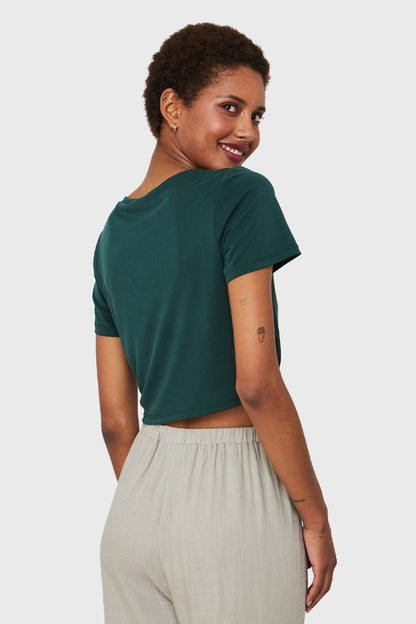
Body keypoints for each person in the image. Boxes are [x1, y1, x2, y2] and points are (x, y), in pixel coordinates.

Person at [92, 22, 336, 624]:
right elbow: (257, 384)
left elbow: (116, 423)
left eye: (257, 115)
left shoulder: (111, 236)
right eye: (230, 107)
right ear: (172, 107)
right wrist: (315, 518)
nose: (247, 131)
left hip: (136, 503)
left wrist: (157, 502)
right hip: (232, 498)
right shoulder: (240, 196)